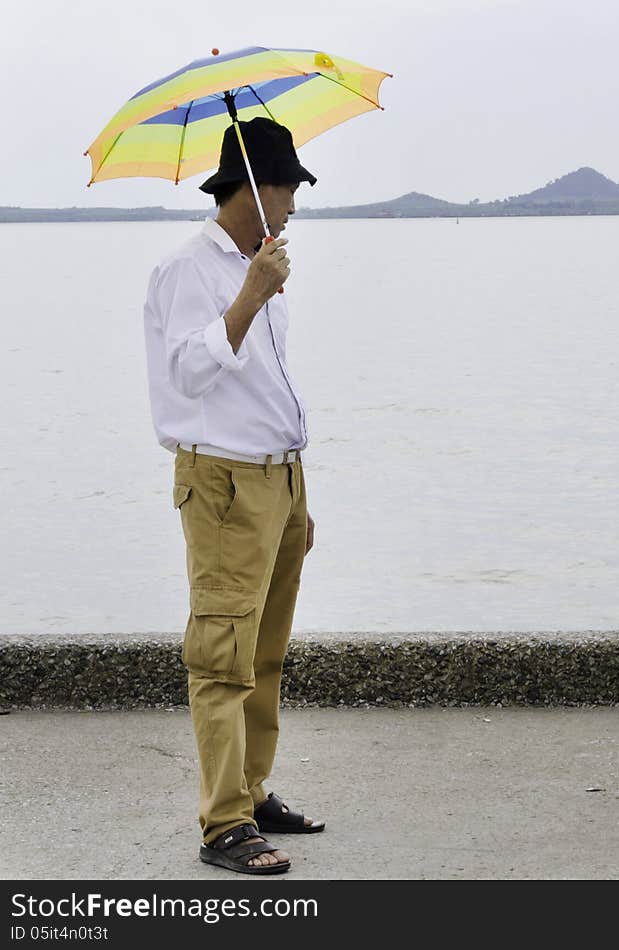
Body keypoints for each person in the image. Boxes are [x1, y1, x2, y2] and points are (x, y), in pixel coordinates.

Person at [143, 117, 325, 875]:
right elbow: (187, 374)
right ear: (255, 188)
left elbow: (259, 381)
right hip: (222, 481)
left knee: (267, 652)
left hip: (279, 479)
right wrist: (250, 295)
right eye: (288, 188)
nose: (294, 204)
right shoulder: (192, 269)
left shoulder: (260, 262)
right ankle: (223, 824)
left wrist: (297, 494)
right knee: (222, 654)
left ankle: (249, 791)